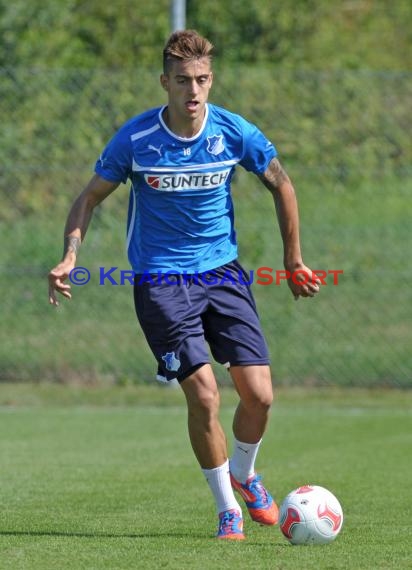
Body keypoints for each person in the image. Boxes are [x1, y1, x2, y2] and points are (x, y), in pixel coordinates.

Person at [48, 29, 320, 540]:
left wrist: (293, 260)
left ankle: (244, 473)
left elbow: (281, 183)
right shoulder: (136, 140)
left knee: (259, 396)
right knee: (206, 397)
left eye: (200, 81)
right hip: (161, 281)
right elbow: (88, 198)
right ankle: (227, 510)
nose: (192, 92)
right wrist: (70, 255)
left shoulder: (233, 131)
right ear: (164, 83)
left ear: (210, 81)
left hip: (223, 274)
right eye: (181, 82)